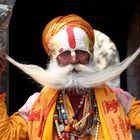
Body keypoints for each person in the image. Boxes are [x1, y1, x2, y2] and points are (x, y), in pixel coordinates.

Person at [0, 14, 140, 140]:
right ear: (54, 59)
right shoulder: (35, 104)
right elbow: (5, 135)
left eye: (80, 52)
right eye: (65, 53)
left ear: (90, 57)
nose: (74, 60)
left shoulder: (117, 98)